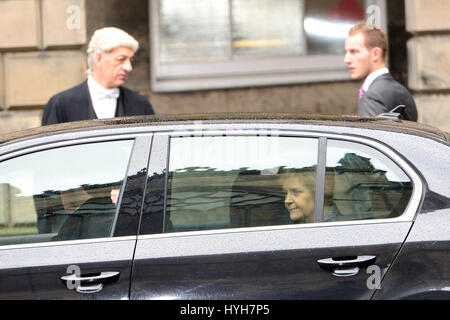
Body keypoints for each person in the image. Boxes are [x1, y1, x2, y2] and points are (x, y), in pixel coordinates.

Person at [42, 27, 154, 125]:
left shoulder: (140, 104)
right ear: (99, 59)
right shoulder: (61, 104)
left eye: (130, 60)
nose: (128, 67)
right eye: (121, 59)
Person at [344, 23, 418, 121]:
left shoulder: (372, 97)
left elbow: (370, 135)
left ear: (375, 54)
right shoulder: (401, 90)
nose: (346, 59)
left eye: (354, 51)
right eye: (347, 52)